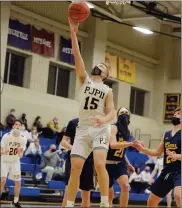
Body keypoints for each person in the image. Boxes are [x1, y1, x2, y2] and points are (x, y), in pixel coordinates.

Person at [66, 18, 115, 207]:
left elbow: (112, 113)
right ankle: (69, 204)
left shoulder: (107, 89)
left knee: (99, 164)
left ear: (105, 75)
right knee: (75, 169)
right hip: (83, 128)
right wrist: (73, 33)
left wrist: (104, 119)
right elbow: (77, 57)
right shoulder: (84, 79)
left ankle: (104, 202)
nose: (99, 66)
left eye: (103, 66)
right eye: (99, 64)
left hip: (100, 128)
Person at [134, 107, 181, 207]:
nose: (175, 115)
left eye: (179, 113)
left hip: (180, 171)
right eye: (175, 113)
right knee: (151, 201)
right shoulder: (166, 134)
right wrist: (142, 149)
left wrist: (177, 156)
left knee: (178, 196)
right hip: (167, 171)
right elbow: (157, 152)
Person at [61, 118, 94, 207]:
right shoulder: (73, 122)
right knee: (69, 190)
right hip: (73, 159)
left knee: (86, 194)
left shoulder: (97, 124)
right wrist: (76, 149)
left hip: (89, 161)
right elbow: (63, 142)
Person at [106, 108, 135, 207]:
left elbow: (123, 150)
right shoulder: (113, 127)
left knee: (126, 186)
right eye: (121, 112)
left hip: (119, 163)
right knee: (108, 191)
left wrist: (128, 163)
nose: (124, 114)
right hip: (107, 163)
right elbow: (113, 145)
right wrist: (130, 143)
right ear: (117, 116)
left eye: (126, 112)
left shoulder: (128, 131)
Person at [0, 120, 27, 208]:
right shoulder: (6, 136)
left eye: (19, 125)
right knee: (3, 180)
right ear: (13, 126)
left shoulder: (23, 138)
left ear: (21, 127)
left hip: (15, 161)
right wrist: (4, 151)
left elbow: (21, 155)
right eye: (16, 124)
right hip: (5, 160)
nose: (17, 126)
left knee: (18, 182)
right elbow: (1, 151)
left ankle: (15, 201)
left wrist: (20, 152)